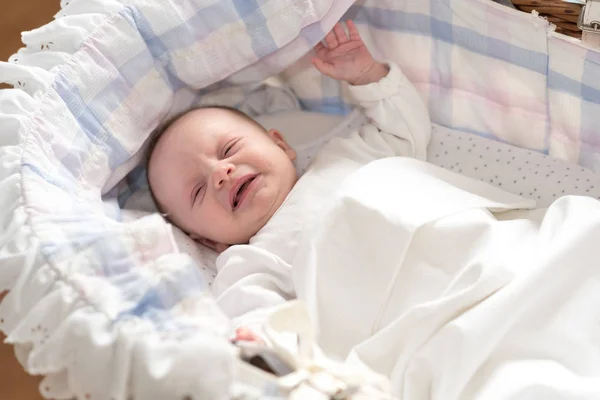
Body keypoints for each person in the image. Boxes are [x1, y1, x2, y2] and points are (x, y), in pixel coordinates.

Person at [146, 20, 431, 331]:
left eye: (228, 150)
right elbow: (250, 315)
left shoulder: (342, 159)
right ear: (207, 241)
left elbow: (405, 132)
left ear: (280, 144)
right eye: (197, 191)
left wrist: (366, 76)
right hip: (404, 327)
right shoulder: (251, 260)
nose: (220, 173)